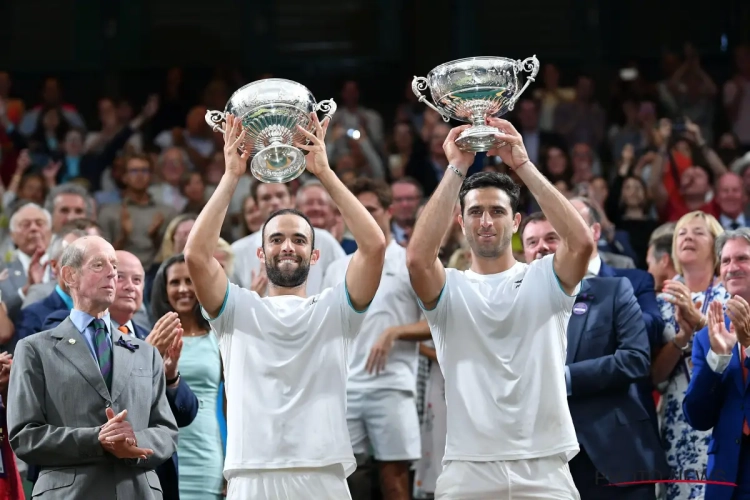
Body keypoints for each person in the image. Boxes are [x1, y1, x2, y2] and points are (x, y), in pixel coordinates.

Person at [183, 113, 386, 499]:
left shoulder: (335, 308)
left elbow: (374, 247)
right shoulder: (236, 309)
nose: (287, 246)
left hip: (323, 473)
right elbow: (195, 254)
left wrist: (324, 172)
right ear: (260, 253)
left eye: (298, 239)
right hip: (252, 474)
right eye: (276, 239)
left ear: (314, 256)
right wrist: (231, 177)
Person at [405, 117, 595, 499]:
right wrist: (457, 168)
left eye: (497, 211)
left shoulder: (546, 277)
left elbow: (582, 244)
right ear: (460, 222)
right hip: (468, 469)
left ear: (516, 221)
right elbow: (417, 260)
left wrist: (522, 165)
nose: (486, 221)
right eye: (475, 212)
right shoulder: (450, 287)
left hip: (544, 466)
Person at [7, 236, 178, 499]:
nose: (112, 272)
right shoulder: (34, 349)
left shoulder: (146, 352)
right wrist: (96, 439)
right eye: (99, 265)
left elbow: (166, 432)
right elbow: (24, 436)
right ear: (69, 276)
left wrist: (133, 442)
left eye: (114, 265)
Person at [522, 213, 669, 500]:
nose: (541, 247)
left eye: (551, 238)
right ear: (524, 252)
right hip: (542, 463)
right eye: (532, 241)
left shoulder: (612, 291)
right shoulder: (513, 306)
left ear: (569, 244)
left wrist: (566, 377)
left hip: (612, 458)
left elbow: (636, 359)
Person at [322, 178, 428, 499]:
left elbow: (436, 322)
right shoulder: (336, 268)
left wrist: (395, 331)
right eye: (358, 211)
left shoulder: (410, 261)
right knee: (342, 480)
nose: (364, 217)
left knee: (394, 480)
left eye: (371, 210)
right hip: (345, 388)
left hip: (393, 385)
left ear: (390, 211)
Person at [683, 227, 750, 500]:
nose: (732, 267)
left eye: (742, 258)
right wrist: (718, 358)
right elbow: (697, 416)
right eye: (725, 260)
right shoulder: (707, 336)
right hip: (728, 474)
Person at [151, 254, 225, 500]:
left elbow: (230, 403)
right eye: (174, 282)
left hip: (207, 450)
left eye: (189, 281)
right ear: (164, 289)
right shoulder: (152, 337)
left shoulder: (218, 337)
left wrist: (232, 457)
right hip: (162, 453)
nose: (183, 289)